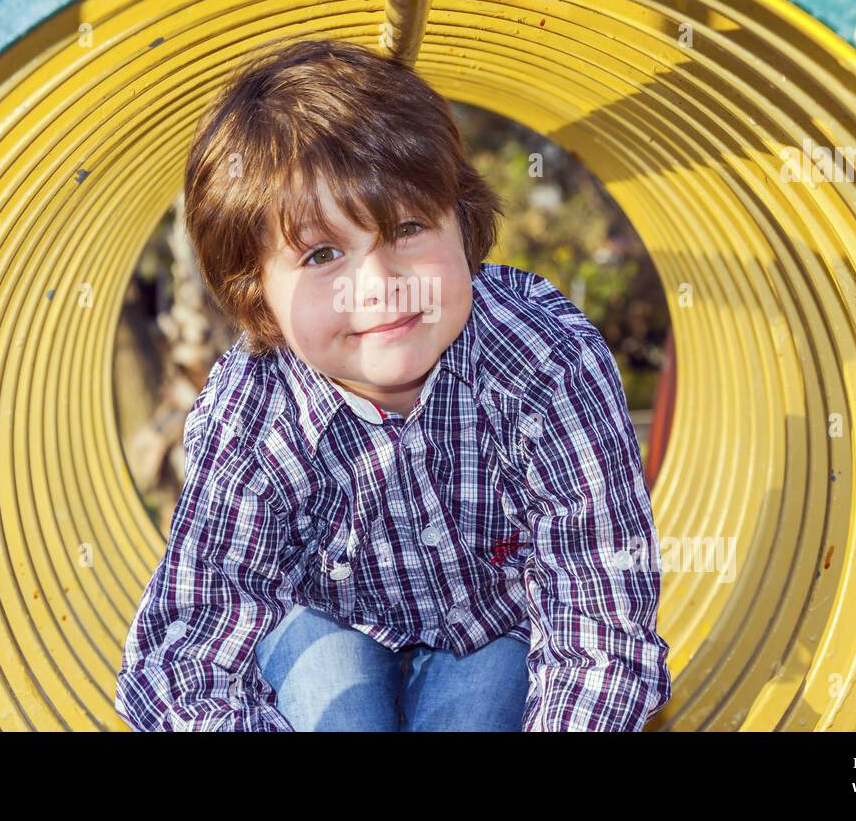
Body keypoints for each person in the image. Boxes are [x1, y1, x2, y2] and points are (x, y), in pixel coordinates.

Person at [114, 36, 671, 731]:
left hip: (494, 630)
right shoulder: (251, 416)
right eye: (321, 253)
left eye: (406, 229)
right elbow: (184, 655)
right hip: (323, 625)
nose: (379, 287)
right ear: (257, 294)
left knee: (482, 706)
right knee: (340, 707)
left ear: (463, 226)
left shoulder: (545, 363)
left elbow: (600, 624)